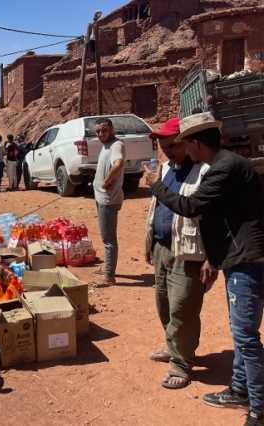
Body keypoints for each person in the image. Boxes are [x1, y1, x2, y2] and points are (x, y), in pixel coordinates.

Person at [145, 112, 264, 426]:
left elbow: (192, 208)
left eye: (183, 142)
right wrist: (214, 257)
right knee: (242, 335)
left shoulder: (219, 169)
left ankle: (258, 409)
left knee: (246, 337)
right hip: (236, 258)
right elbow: (219, 217)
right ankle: (239, 389)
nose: (179, 149)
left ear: (195, 144)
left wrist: (156, 186)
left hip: (246, 260)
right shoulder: (225, 165)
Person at [144, 117, 214, 390]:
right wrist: (149, 242)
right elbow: (155, 208)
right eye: (163, 145)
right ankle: (174, 346)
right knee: (163, 305)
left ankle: (181, 363)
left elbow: (211, 217)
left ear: (186, 143)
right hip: (162, 248)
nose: (167, 150)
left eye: (172, 145)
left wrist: (211, 257)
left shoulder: (203, 172)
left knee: (183, 308)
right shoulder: (163, 170)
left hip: (189, 252)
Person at [93, 118, 126, 286]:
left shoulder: (116, 145)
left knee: (109, 239)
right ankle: (108, 266)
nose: (100, 134)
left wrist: (107, 180)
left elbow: (118, 163)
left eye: (104, 130)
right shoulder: (106, 145)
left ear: (111, 129)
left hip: (108, 199)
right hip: (101, 197)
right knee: (105, 235)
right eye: (98, 131)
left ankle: (109, 276)